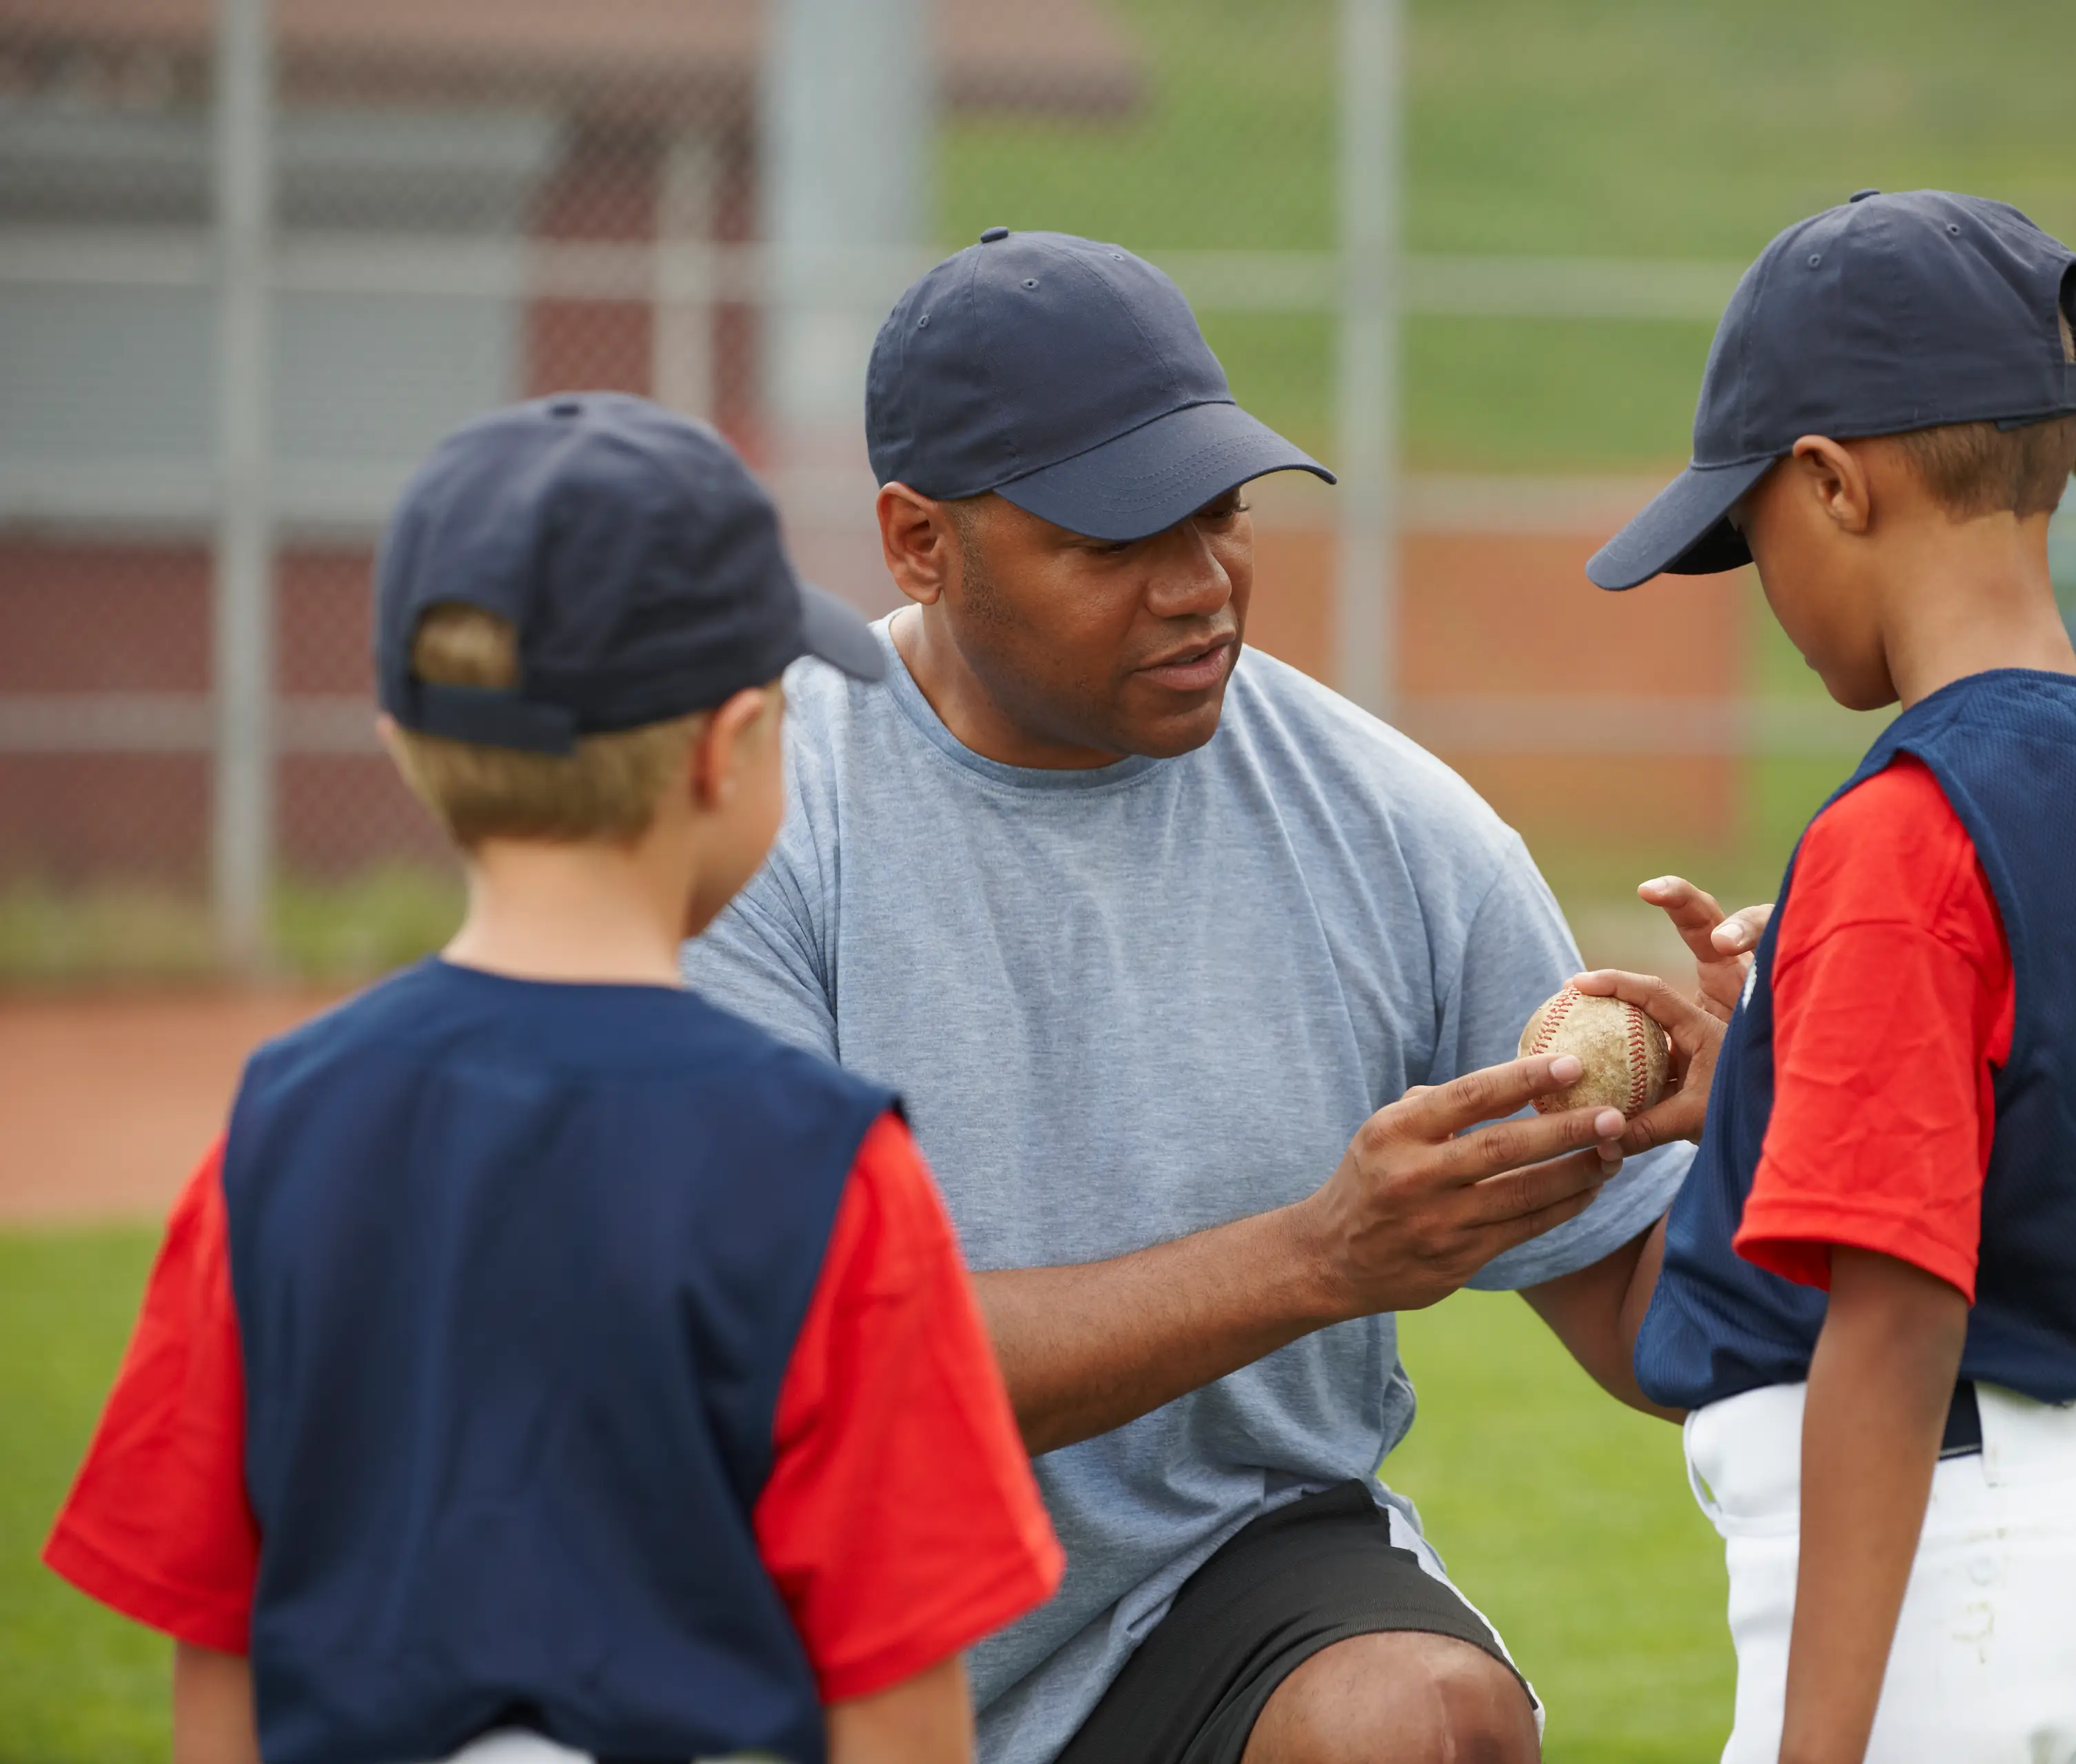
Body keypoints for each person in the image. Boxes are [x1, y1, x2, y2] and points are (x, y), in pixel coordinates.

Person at [684, 229, 1692, 1764]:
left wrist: (1780, 1106)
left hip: (1217, 1587)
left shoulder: (1398, 828)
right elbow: (811, 1373)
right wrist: (1320, 1256)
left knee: (1419, 1724)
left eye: (1218, 514)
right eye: (1113, 543)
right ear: (917, 543)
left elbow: (1647, 1316)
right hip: (820, 1626)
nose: (1200, 586)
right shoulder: (759, 823)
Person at [44, 393, 1063, 1764]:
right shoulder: (827, 1168)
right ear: (725, 748)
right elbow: (898, 1706)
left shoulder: (278, 1131)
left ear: (404, 738)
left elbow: (219, 1654)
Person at [1578, 189, 2076, 1764]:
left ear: (1831, 484)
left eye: (1750, 538)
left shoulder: (1895, 832)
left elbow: (1892, 1325)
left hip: (1940, 1594)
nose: (1760, 583)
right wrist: (1776, 1083)